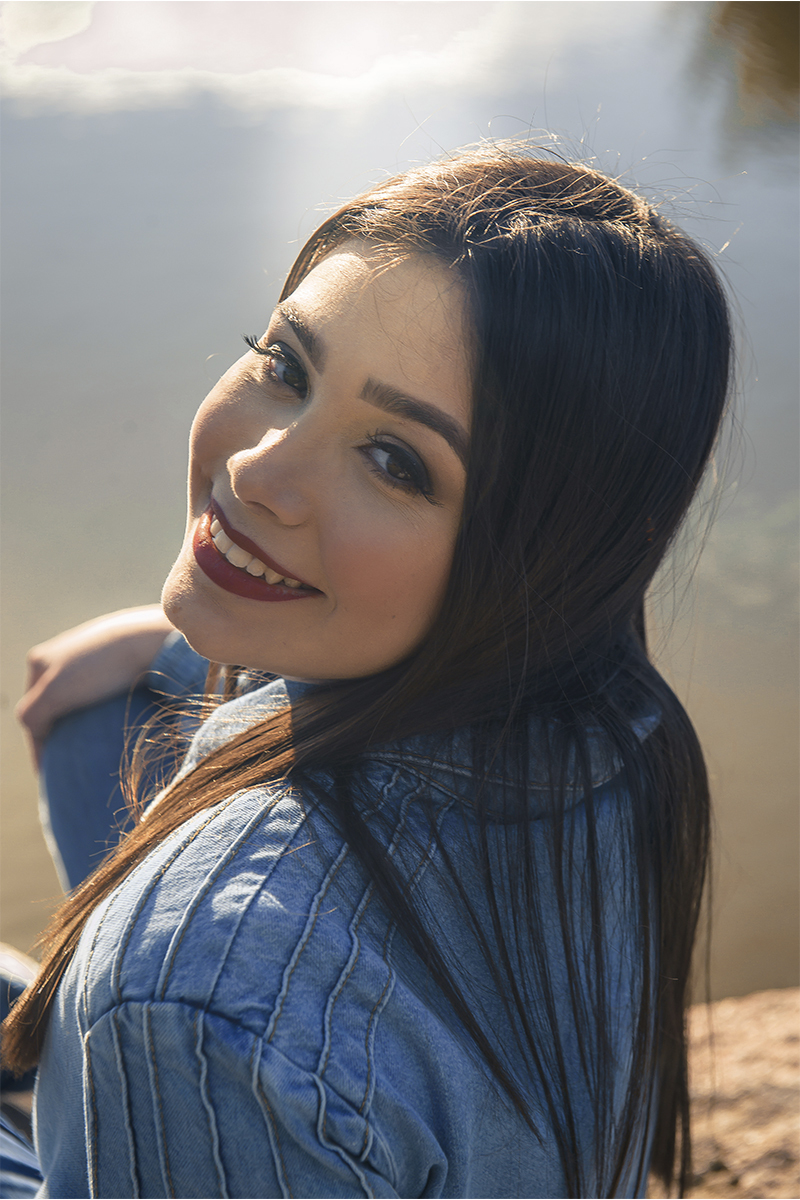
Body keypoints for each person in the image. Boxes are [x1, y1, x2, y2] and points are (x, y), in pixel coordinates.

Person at [2, 145, 732, 1199]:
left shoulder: (189, 999)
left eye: (395, 461)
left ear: (537, 559)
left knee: (146, 1009)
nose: (257, 471)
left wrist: (145, 1021)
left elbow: (203, 997)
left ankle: (79, 1052)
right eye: (286, 366)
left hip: (210, 1030)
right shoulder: (620, 723)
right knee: (105, 718)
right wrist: (170, 644)